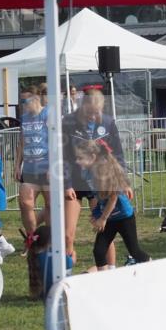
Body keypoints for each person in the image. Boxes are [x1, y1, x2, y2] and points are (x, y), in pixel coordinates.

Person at [61, 85, 126, 266]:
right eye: (90, 113)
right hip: (75, 182)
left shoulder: (107, 122)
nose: (93, 117)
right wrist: (66, 184)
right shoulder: (68, 122)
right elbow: (63, 156)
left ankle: (110, 271)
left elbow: (118, 154)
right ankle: (66, 277)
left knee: (105, 231)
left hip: (99, 183)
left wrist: (123, 182)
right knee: (67, 234)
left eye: (97, 112)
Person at [73, 139, 150, 270]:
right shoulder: (87, 172)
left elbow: (113, 198)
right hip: (109, 218)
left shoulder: (104, 171)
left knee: (135, 251)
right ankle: (104, 281)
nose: (77, 161)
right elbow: (99, 196)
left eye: (80, 158)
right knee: (99, 251)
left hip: (124, 217)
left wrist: (102, 218)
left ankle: (152, 267)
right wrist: (97, 212)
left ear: (92, 157)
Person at [15, 87, 51, 241]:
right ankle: (32, 239)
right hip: (29, 168)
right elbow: (22, 142)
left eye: (25, 101)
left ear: (35, 99)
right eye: (21, 101)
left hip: (46, 167)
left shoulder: (47, 114)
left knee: (50, 205)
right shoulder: (25, 117)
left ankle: (50, 240)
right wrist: (17, 165)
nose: (23, 104)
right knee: (25, 203)